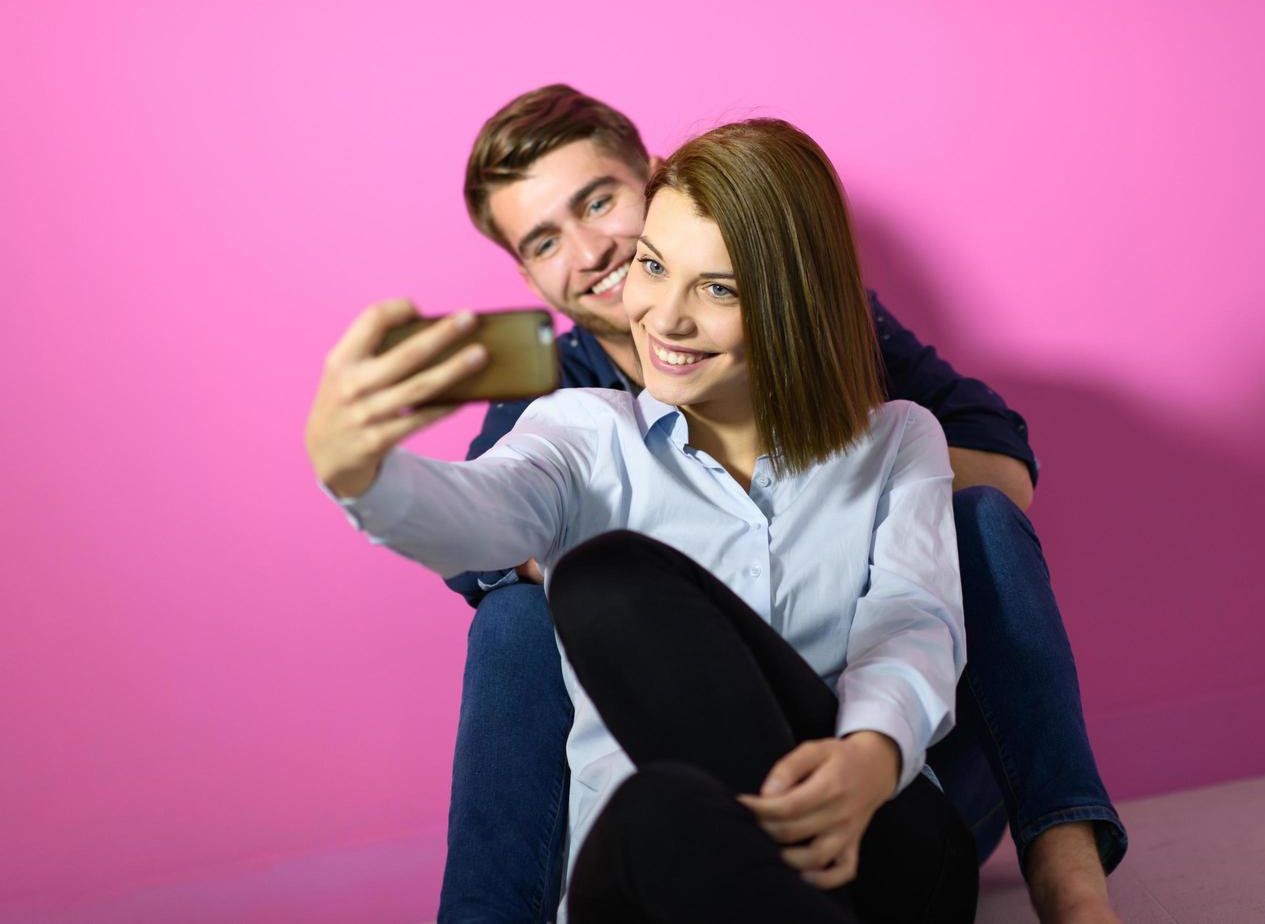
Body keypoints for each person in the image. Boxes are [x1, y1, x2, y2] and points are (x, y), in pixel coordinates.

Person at [442, 86, 1125, 924]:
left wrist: (817, 449)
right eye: (546, 240)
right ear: (526, 273)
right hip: (688, 792)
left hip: (893, 776)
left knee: (978, 520)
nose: (590, 250)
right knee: (518, 613)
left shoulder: (818, 328)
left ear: (658, 183)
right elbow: (477, 546)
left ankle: (1071, 883)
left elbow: (1006, 473)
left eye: (599, 200)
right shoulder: (554, 395)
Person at [309, 119, 985, 921]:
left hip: (879, 843)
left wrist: (869, 758)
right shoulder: (582, 429)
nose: (665, 319)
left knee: (604, 579)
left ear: (792, 304)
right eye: (654, 267)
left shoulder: (899, 438)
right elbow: (481, 512)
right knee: (650, 802)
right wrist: (362, 475)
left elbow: (912, 619)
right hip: (672, 864)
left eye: (719, 288)